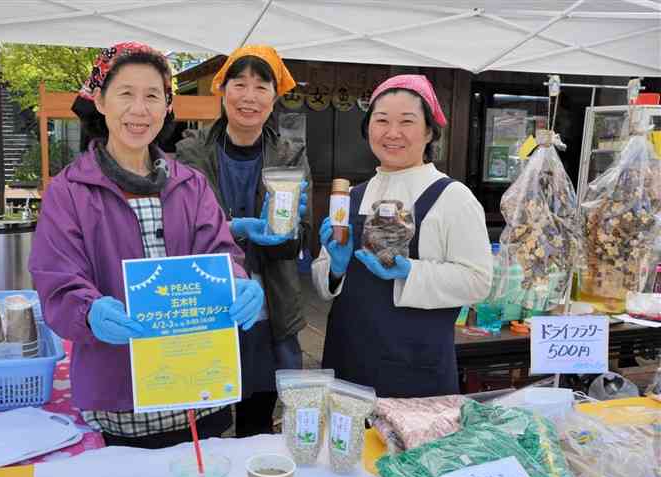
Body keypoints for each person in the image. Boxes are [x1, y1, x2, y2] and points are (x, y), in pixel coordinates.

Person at [29, 42, 264, 449]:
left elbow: (221, 253)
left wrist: (238, 281)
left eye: (153, 95)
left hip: (199, 393)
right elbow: (57, 277)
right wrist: (89, 311)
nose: (140, 110)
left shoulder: (190, 184)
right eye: (126, 94)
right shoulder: (69, 191)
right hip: (118, 400)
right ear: (100, 100)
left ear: (167, 105)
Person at [312, 75, 492, 397]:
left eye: (406, 122)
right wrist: (336, 269)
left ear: (428, 131)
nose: (392, 133)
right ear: (368, 128)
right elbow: (322, 282)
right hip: (348, 360)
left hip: (415, 369)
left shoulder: (453, 197)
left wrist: (411, 271)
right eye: (381, 120)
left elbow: (478, 281)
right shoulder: (351, 197)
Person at [176, 45, 312, 437]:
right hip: (207, 300)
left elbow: (298, 241)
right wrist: (237, 228)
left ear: (274, 97)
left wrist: (284, 232)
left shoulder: (290, 154)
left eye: (261, 86)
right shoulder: (192, 151)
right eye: (239, 84)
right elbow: (185, 229)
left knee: (256, 419)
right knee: (206, 419)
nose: (249, 96)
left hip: (271, 306)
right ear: (223, 91)